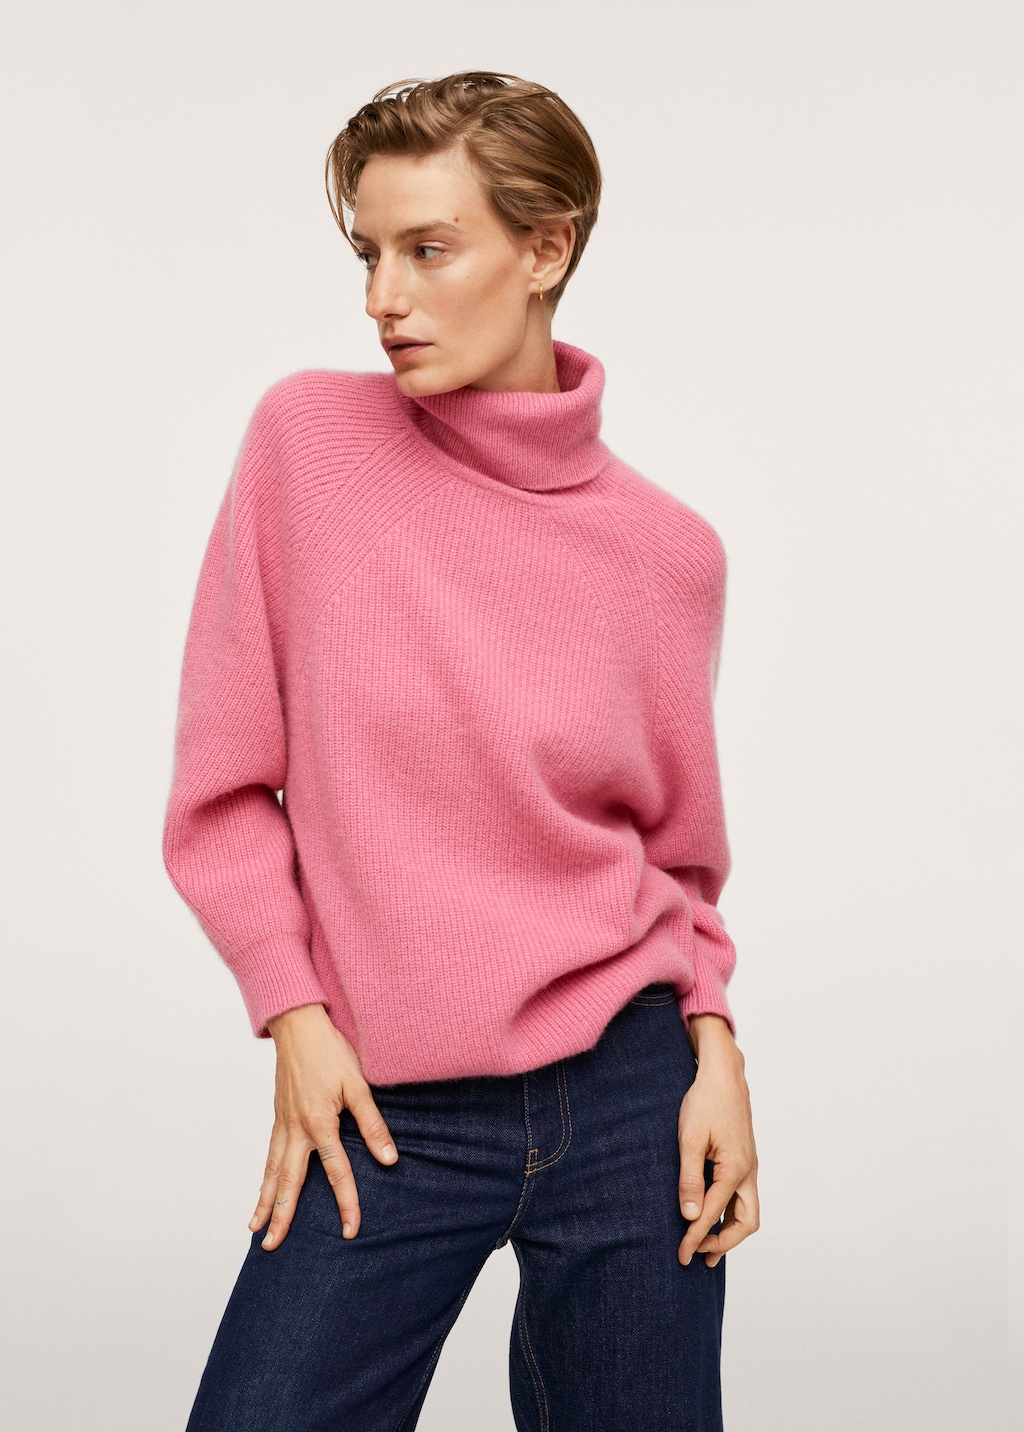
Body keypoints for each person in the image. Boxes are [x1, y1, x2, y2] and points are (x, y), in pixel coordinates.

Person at [163, 70, 759, 1432]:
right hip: (386, 1103)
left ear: (545, 249)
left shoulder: (669, 554)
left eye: (429, 250)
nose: (384, 296)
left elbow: (678, 865)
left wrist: (717, 1050)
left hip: (633, 1098)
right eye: (368, 253)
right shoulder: (310, 446)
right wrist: (294, 1016)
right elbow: (222, 793)